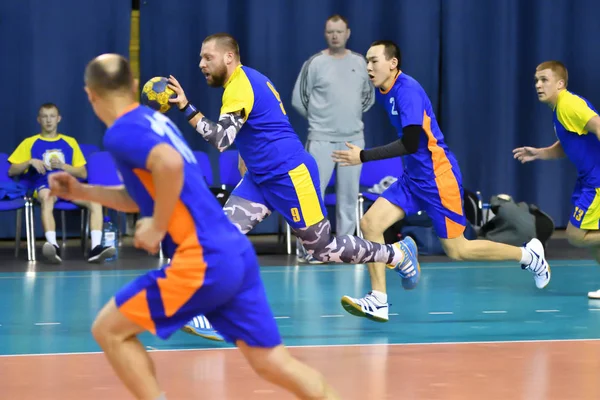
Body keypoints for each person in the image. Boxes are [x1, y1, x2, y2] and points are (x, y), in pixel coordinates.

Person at [48, 53, 339, 400]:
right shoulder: (155, 121)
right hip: (234, 254)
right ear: (135, 87)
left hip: (202, 260)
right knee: (273, 363)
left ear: (89, 94)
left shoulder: (122, 132)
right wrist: (82, 191)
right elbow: (144, 192)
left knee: (109, 331)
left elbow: (168, 165)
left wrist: (156, 227)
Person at [166, 33, 420, 333]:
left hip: (290, 177)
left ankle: (397, 253)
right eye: (200, 58)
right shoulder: (246, 81)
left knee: (322, 250)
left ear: (228, 57)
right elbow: (262, 123)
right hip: (260, 180)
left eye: (207, 57)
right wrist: (247, 154)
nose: (201, 64)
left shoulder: (240, 86)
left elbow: (221, 138)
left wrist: (186, 108)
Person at [331, 40, 551, 322]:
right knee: (370, 224)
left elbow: (411, 143)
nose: (369, 67)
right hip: (413, 178)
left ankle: (528, 256)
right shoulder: (386, 91)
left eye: (374, 61)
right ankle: (379, 300)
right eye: (367, 62)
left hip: (438, 178)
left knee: (458, 250)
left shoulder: (407, 90)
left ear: (393, 63)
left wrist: (363, 156)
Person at [513, 60, 600, 300]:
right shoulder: (559, 109)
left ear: (560, 84)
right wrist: (540, 153)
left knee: (576, 235)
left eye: (544, 80)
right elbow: (570, 143)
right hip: (587, 179)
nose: (538, 85)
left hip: (597, 181)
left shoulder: (569, 104)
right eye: (536, 81)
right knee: (594, 238)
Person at [291, 14, 374, 263]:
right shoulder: (314, 63)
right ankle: (312, 248)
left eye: (339, 31)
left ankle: (344, 251)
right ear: (325, 34)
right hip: (321, 140)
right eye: (330, 32)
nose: (335, 36)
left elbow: (367, 98)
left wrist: (346, 121)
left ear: (348, 33)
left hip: (352, 141)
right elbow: (299, 99)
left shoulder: (360, 63)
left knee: (348, 197)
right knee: (312, 196)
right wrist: (322, 122)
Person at [8, 103, 115, 263]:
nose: (48, 120)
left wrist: (64, 166)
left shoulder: (69, 142)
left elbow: (83, 172)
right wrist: (29, 162)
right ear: (39, 120)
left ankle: (95, 249)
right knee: (47, 197)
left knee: (95, 200)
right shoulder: (30, 142)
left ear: (59, 119)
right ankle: (53, 247)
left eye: (52, 116)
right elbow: (12, 171)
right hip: (44, 185)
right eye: (44, 116)